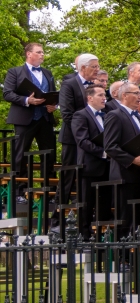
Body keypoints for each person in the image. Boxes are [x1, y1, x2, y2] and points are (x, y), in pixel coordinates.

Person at [3, 43, 58, 203]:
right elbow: (7, 93)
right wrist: (27, 100)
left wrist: (53, 105)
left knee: (49, 155)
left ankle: (50, 193)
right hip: (24, 119)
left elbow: (53, 94)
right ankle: (19, 192)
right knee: (20, 155)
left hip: (45, 118)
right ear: (28, 54)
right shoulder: (15, 72)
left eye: (43, 52)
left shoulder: (48, 73)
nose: (42, 54)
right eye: (39, 52)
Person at [103, 82, 140, 237]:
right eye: (136, 93)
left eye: (139, 93)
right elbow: (110, 146)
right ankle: (123, 251)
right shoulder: (115, 115)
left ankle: (139, 249)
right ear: (124, 95)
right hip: (124, 175)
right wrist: (132, 160)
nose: (139, 97)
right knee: (126, 218)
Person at [59, 53, 99, 210]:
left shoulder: (95, 86)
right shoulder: (69, 84)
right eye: (94, 67)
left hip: (90, 140)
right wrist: (82, 133)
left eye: (98, 66)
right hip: (72, 139)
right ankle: (57, 216)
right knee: (68, 176)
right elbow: (67, 114)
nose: (97, 70)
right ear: (83, 68)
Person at [71, 86, 110, 241]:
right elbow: (82, 141)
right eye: (100, 95)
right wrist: (103, 153)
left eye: (104, 95)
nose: (104, 98)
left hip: (107, 167)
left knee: (105, 204)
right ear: (90, 98)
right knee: (86, 204)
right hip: (89, 167)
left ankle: (102, 238)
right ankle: (84, 237)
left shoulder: (106, 116)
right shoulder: (80, 115)